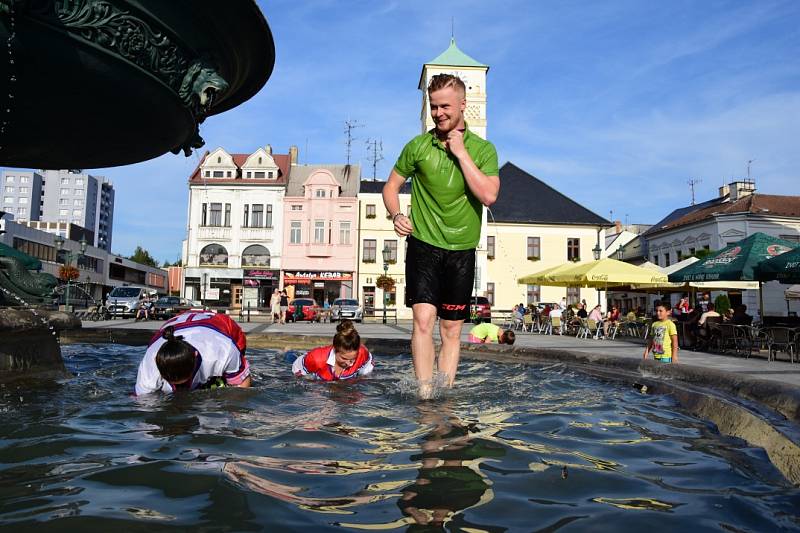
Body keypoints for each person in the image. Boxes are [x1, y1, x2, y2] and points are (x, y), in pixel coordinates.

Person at [382, 73, 500, 397]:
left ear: (463, 104)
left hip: (462, 249)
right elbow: (390, 187)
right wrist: (396, 214)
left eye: (445, 106)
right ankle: (424, 394)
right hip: (423, 244)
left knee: (450, 328)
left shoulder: (483, 150)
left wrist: (461, 153)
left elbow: (489, 196)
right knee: (422, 319)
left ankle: (443, 395)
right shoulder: (418, 146)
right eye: (433, 107)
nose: (438, 113)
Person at [134, 312, 251, 395]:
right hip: (178, 321)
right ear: (156, 363)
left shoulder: (223, 350)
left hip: (220, 325)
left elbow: (241, 384)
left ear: (195, 356)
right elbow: (143, 402)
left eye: (185, 380)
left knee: (235, 374)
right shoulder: (150, 360)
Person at [292, 320, 374, 381]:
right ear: (335, 349)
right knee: (290, 356)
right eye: (344, 358)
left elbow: (368, 365)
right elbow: (296, 370)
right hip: (302, 360)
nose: (350, 364)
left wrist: (362, 377)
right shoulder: (316, 358)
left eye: (353, 359)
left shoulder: (362, 353)